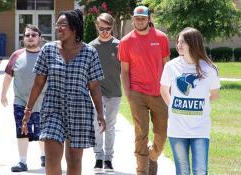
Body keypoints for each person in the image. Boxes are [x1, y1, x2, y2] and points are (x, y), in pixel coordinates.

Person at [21, 9, 106, 175]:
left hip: (79, 109)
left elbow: (94, 86)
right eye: (57, 25)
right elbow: (38, 82)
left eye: (63, 25)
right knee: (52, 158)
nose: (58, 28)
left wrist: (100, 114)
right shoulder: (48, 50)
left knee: (74, 160)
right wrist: (28, 109)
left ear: (74, 28)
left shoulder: (89, 53)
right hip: (53, 107)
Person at [117, 5, 170, 175]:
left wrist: (169, 91)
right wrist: (128, 93)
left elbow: (167, 66)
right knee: (141, 133)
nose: (139, 21)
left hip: (159, 92)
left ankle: (152, 157)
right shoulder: (126, 41)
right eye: (137, 18)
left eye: (143, 18)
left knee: (161, 134)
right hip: (137, 93)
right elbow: (124, 70)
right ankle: (142, 170)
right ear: (133, 19)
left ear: (149, 19)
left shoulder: (161, 38)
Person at [160, 27, 220, 175]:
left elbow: (214, 94)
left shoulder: (210, 68)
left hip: (200, 129)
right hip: (177, 129)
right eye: (178, 41)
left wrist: (199, 105)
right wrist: (173, 106)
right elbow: (163, 89)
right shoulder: (171, 66)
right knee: (182, 170)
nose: (179, 45)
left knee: (200, 170)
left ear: (194, 43)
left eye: (184, 42)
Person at [0, 24, 46, 172]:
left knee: (41, 132)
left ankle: (45, 156)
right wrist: (3, 94)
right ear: (23, 38)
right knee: (21, 131)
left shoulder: (46, 55)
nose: (30, 37)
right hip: (20, 102)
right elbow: (8, 76)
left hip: (42, 103)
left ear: (39, 38)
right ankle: (22, 162)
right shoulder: (16, 55)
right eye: (27, 35)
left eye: (33, 35)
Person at [89, 13, 121, 172]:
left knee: (110, 126)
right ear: (97, 27)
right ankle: (98, 156)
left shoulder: (119, 45)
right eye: (101, 29)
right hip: (97, 94)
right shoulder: (91, 47)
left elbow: (126, 70)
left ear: (112, 28)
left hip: (115, 92)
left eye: (108, 29)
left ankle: (108, 158)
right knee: (97, 124)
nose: (105, 32)